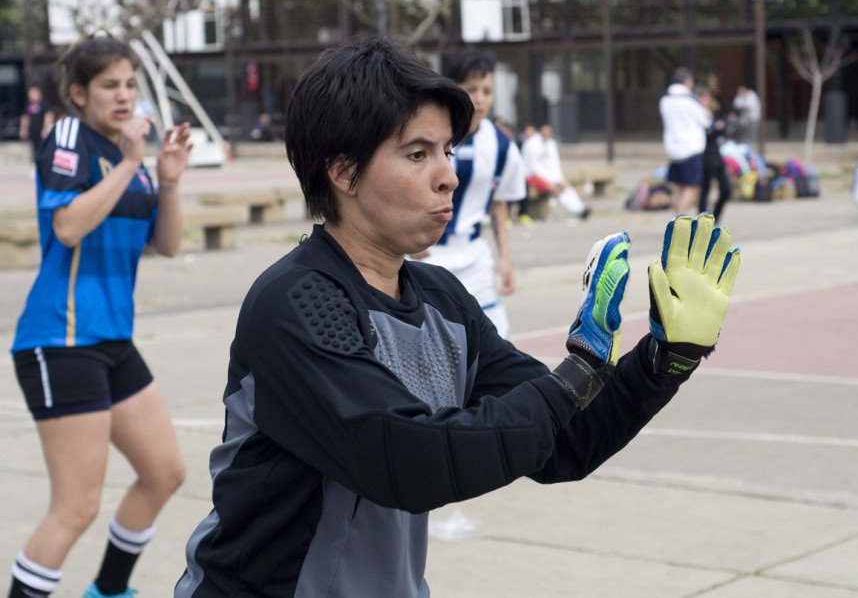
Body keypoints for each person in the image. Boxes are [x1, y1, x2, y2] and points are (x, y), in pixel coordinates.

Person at [174, 37, 741, 598]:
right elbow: (401, 458)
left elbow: (565, 442)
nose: (448, 175)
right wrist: (579, 370)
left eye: (448, 151)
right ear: (343, 172)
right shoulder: (294, 302)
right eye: (418, 154)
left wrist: (665, 359)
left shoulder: (443, 299)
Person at [7, 35, 191, 598]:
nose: (124, 96)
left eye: (131, 84)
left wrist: (166, 178)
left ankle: (109, 590)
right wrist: (132, 160)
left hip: (112, 340)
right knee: (76, 506)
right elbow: (66, 225)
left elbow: (168, 244)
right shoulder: (69, 137)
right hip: (59, 340)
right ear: (78, 94)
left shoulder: (128, 159)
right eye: (110, 85)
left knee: (164, 472)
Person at [408, 50, 525, 339]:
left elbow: (498, 204)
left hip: (474, 257)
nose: (481, 98)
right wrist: (409, 239)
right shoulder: (426, 134)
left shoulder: (501, 145)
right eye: (471, 89)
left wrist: (505, 259)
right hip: (427, 257)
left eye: (487, 90)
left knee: (496, 342)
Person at [659, 67, 710, 216]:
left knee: (680, 187)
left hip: (673, 149)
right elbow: (705, 121)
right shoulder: (690, 101)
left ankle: (675, 219)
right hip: (690, 148)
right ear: (687, 82)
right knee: (693, 187)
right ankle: (679, 220)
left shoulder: (665, 100)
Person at [520, 122, 591, 220]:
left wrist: (559, 180)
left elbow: (555, 164)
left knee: (566, 187)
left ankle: (580, 208)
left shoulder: (551, 144)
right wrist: (552, 180)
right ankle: (576, 210)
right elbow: (534, 167)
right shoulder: (531, 144)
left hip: (550, 176)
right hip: (532, 176)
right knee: (555, 189)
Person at [695, 85, 732, 222]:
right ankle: (702, 223)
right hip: (704, 157)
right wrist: (714, 128)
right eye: (702, 98)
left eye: (707, 97)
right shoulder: (697, 115)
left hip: (716, 156)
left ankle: (715, 218)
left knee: (726, 189)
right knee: (705, 191)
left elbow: (724, 121)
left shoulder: (712, 113)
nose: (705, 100)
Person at [19, 85, 56, 160]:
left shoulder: (44, 104)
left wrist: (45, 129)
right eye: (31, 93)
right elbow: (25, 118)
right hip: (33, 131)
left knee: (43, 148)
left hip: (41, 131)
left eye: (34, 93)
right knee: (35, 149)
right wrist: (23, 129)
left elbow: (48, 116)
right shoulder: (28, 105)